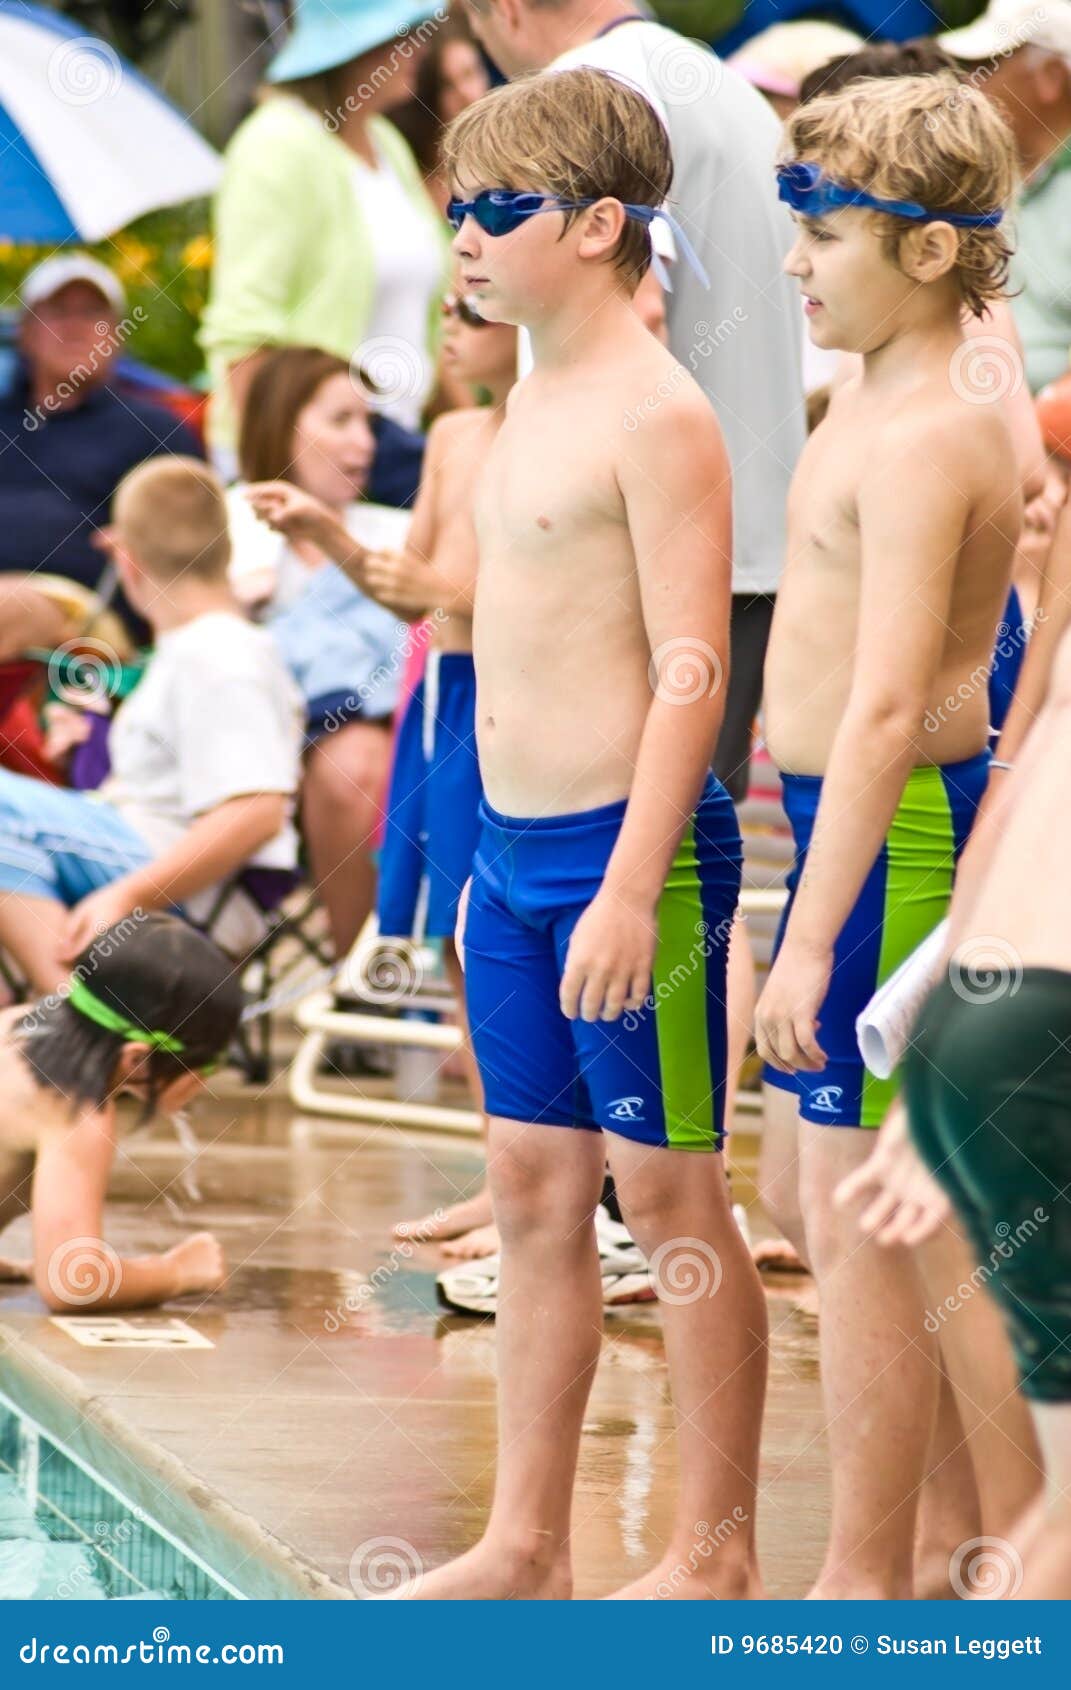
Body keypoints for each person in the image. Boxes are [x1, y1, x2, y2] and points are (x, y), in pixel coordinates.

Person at [400, 67, 766, 1602]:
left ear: (601, 222)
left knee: (670, 1193)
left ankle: (714, 1550)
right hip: (509, 857)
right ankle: (526, 1540)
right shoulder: (524, 396)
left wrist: (630, 887)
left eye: (498, 210)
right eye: (455, 208)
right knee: (535, 1192)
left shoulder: (659, 412)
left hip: (638, 858)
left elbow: (693, 671)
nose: (465, 237)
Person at [753, 73, 1027, 1599]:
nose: (793, 258)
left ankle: (866, 1585)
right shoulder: (873, 392)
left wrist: (803, 937)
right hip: (847, 825)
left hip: (896, 835)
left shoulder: (928, 430)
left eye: (824, 228)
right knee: (833, 1205)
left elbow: (881, 710)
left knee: (868, 1220)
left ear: (929, 252)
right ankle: (938, 1545)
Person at [250, 297, 516, 1258]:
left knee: (503, 940)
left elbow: (496, 598)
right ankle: (504, 1181)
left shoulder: (556, 429)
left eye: (470, 309)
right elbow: (417, 588)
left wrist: (334, 533)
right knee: (457, 944)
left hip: (514, 697)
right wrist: (336, 540)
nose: (446, 322)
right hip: (443, 697)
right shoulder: (451, 433)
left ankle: (543, 1192)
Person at [839, 625, 1071, 1600]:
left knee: (1059, 1508)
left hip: (972, 1005)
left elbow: (1007, 814)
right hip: (1044, 1026)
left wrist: (928, 1082)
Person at [0, 456, 303, 986]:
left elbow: (258, 808)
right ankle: (67, 1024)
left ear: (129, 565)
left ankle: (85, 1029)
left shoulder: (219, 652)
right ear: (226, 551)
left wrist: (128, 894)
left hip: (185, 892)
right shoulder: (202, 648)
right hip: (153, 860)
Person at [200, 0, 450, 475]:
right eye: (402, 33)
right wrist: (277, 473)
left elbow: (421, 324)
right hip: (306, 465)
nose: (420, 48)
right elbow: (242, 332)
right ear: (357, 50)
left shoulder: (386, 142)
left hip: (387, 447)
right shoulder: (276, 144)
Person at [230, 347, 411, 959]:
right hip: (261, 742)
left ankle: (392, 979)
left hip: (404, 725)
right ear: (282, 423)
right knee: (352, 768)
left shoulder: (396, 530)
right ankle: (364, 976)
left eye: (368, 423)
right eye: (340, 421)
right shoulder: (230, 526)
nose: (363, 443)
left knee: (371, 763)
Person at [0, 915, 241, 1311]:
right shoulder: (73, 1110)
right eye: (207, 1067)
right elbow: (72, 1284)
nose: (205, 1082)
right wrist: (177, 1270)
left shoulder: (18, 1026)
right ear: (136, 1059)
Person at [0, 254, 203, 641]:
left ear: (116, 333)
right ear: (26, 331)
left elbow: (192, 550)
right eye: (58, 313)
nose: (75, 329)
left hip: (86, 619)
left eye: (92, 313)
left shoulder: (155, 430)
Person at [937, 0, 1071, 395]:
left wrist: (1032, 437)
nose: (967, 80)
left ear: (1050, 77)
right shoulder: (948, 168)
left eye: (988, 63)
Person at [391, 7, 492, 213]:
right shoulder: (404, 172)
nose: (466, 94)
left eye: (470, 73)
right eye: (446, 85)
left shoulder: (510, 155)